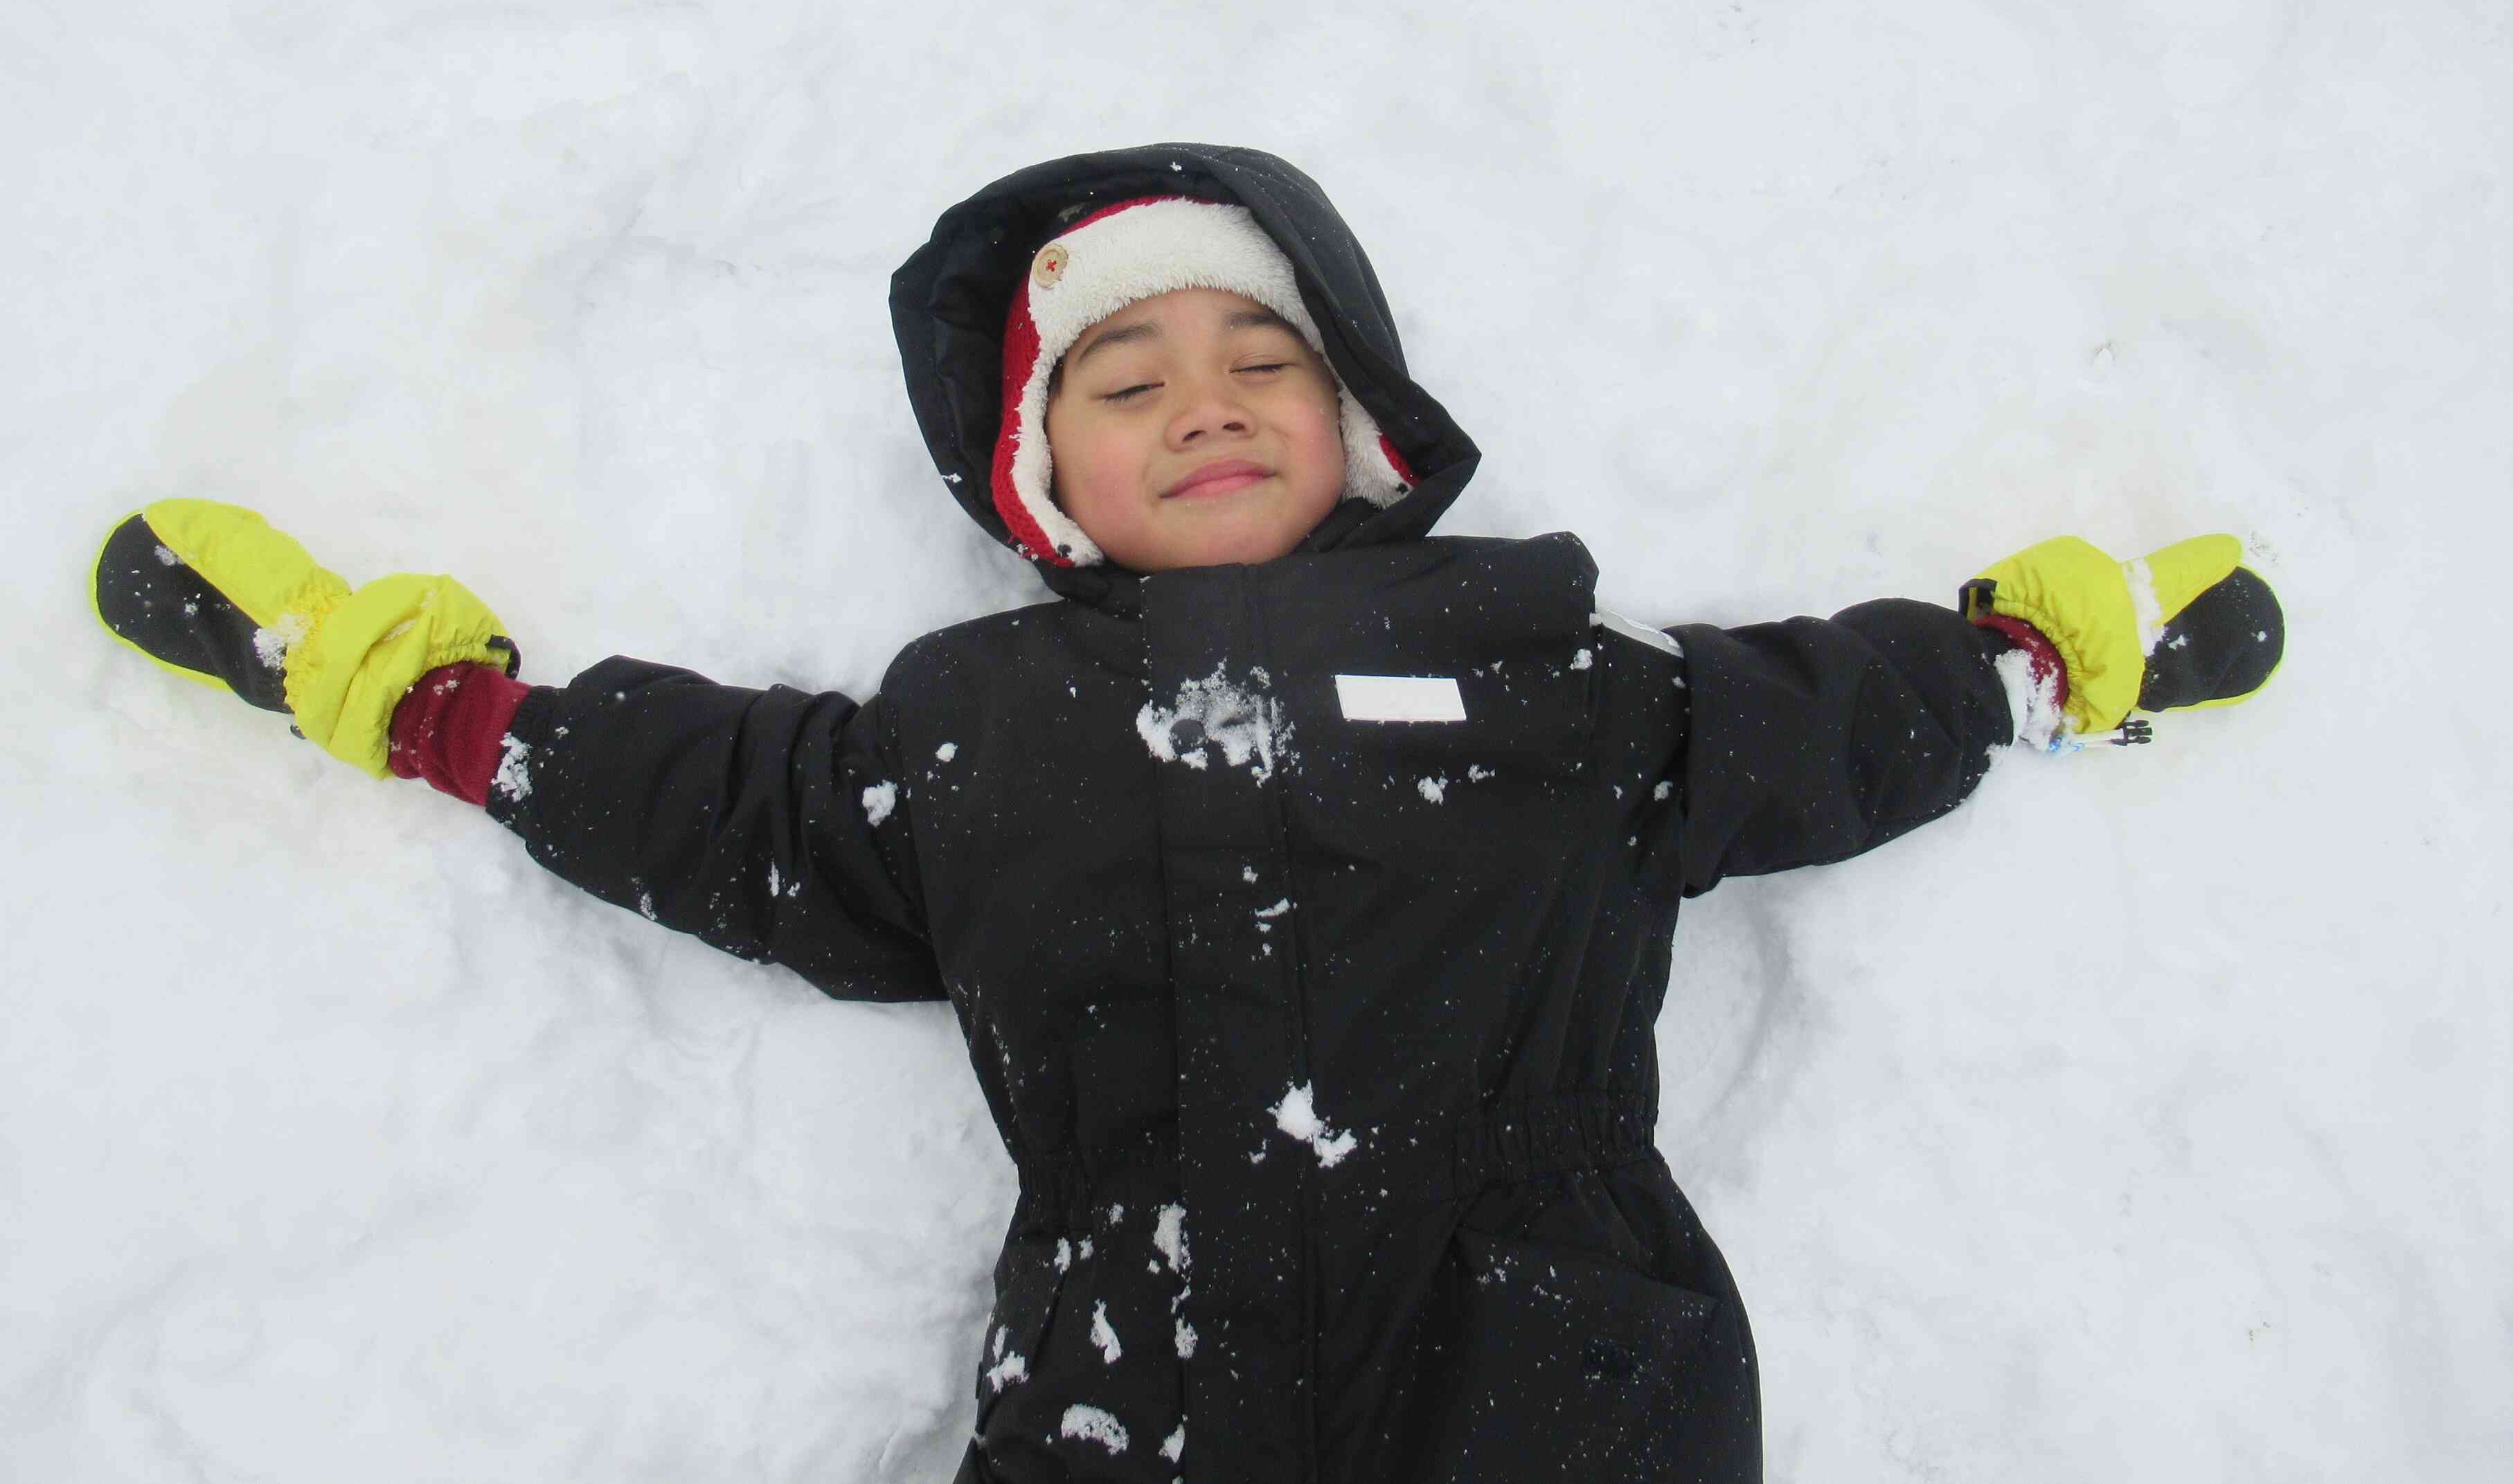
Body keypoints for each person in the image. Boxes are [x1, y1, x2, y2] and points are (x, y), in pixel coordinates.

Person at [91, 143, 2283, 1483]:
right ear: (1052, 484)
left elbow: (1817, 720)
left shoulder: (1555, 669)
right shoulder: (976, 730)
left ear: (1367, 429)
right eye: (1127, 384)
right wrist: (441, 706)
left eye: (1263, 362)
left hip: (1561, 1385)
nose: (1206, 400)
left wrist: (2038, 659)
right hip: (1133, 1396)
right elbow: (730, 808)